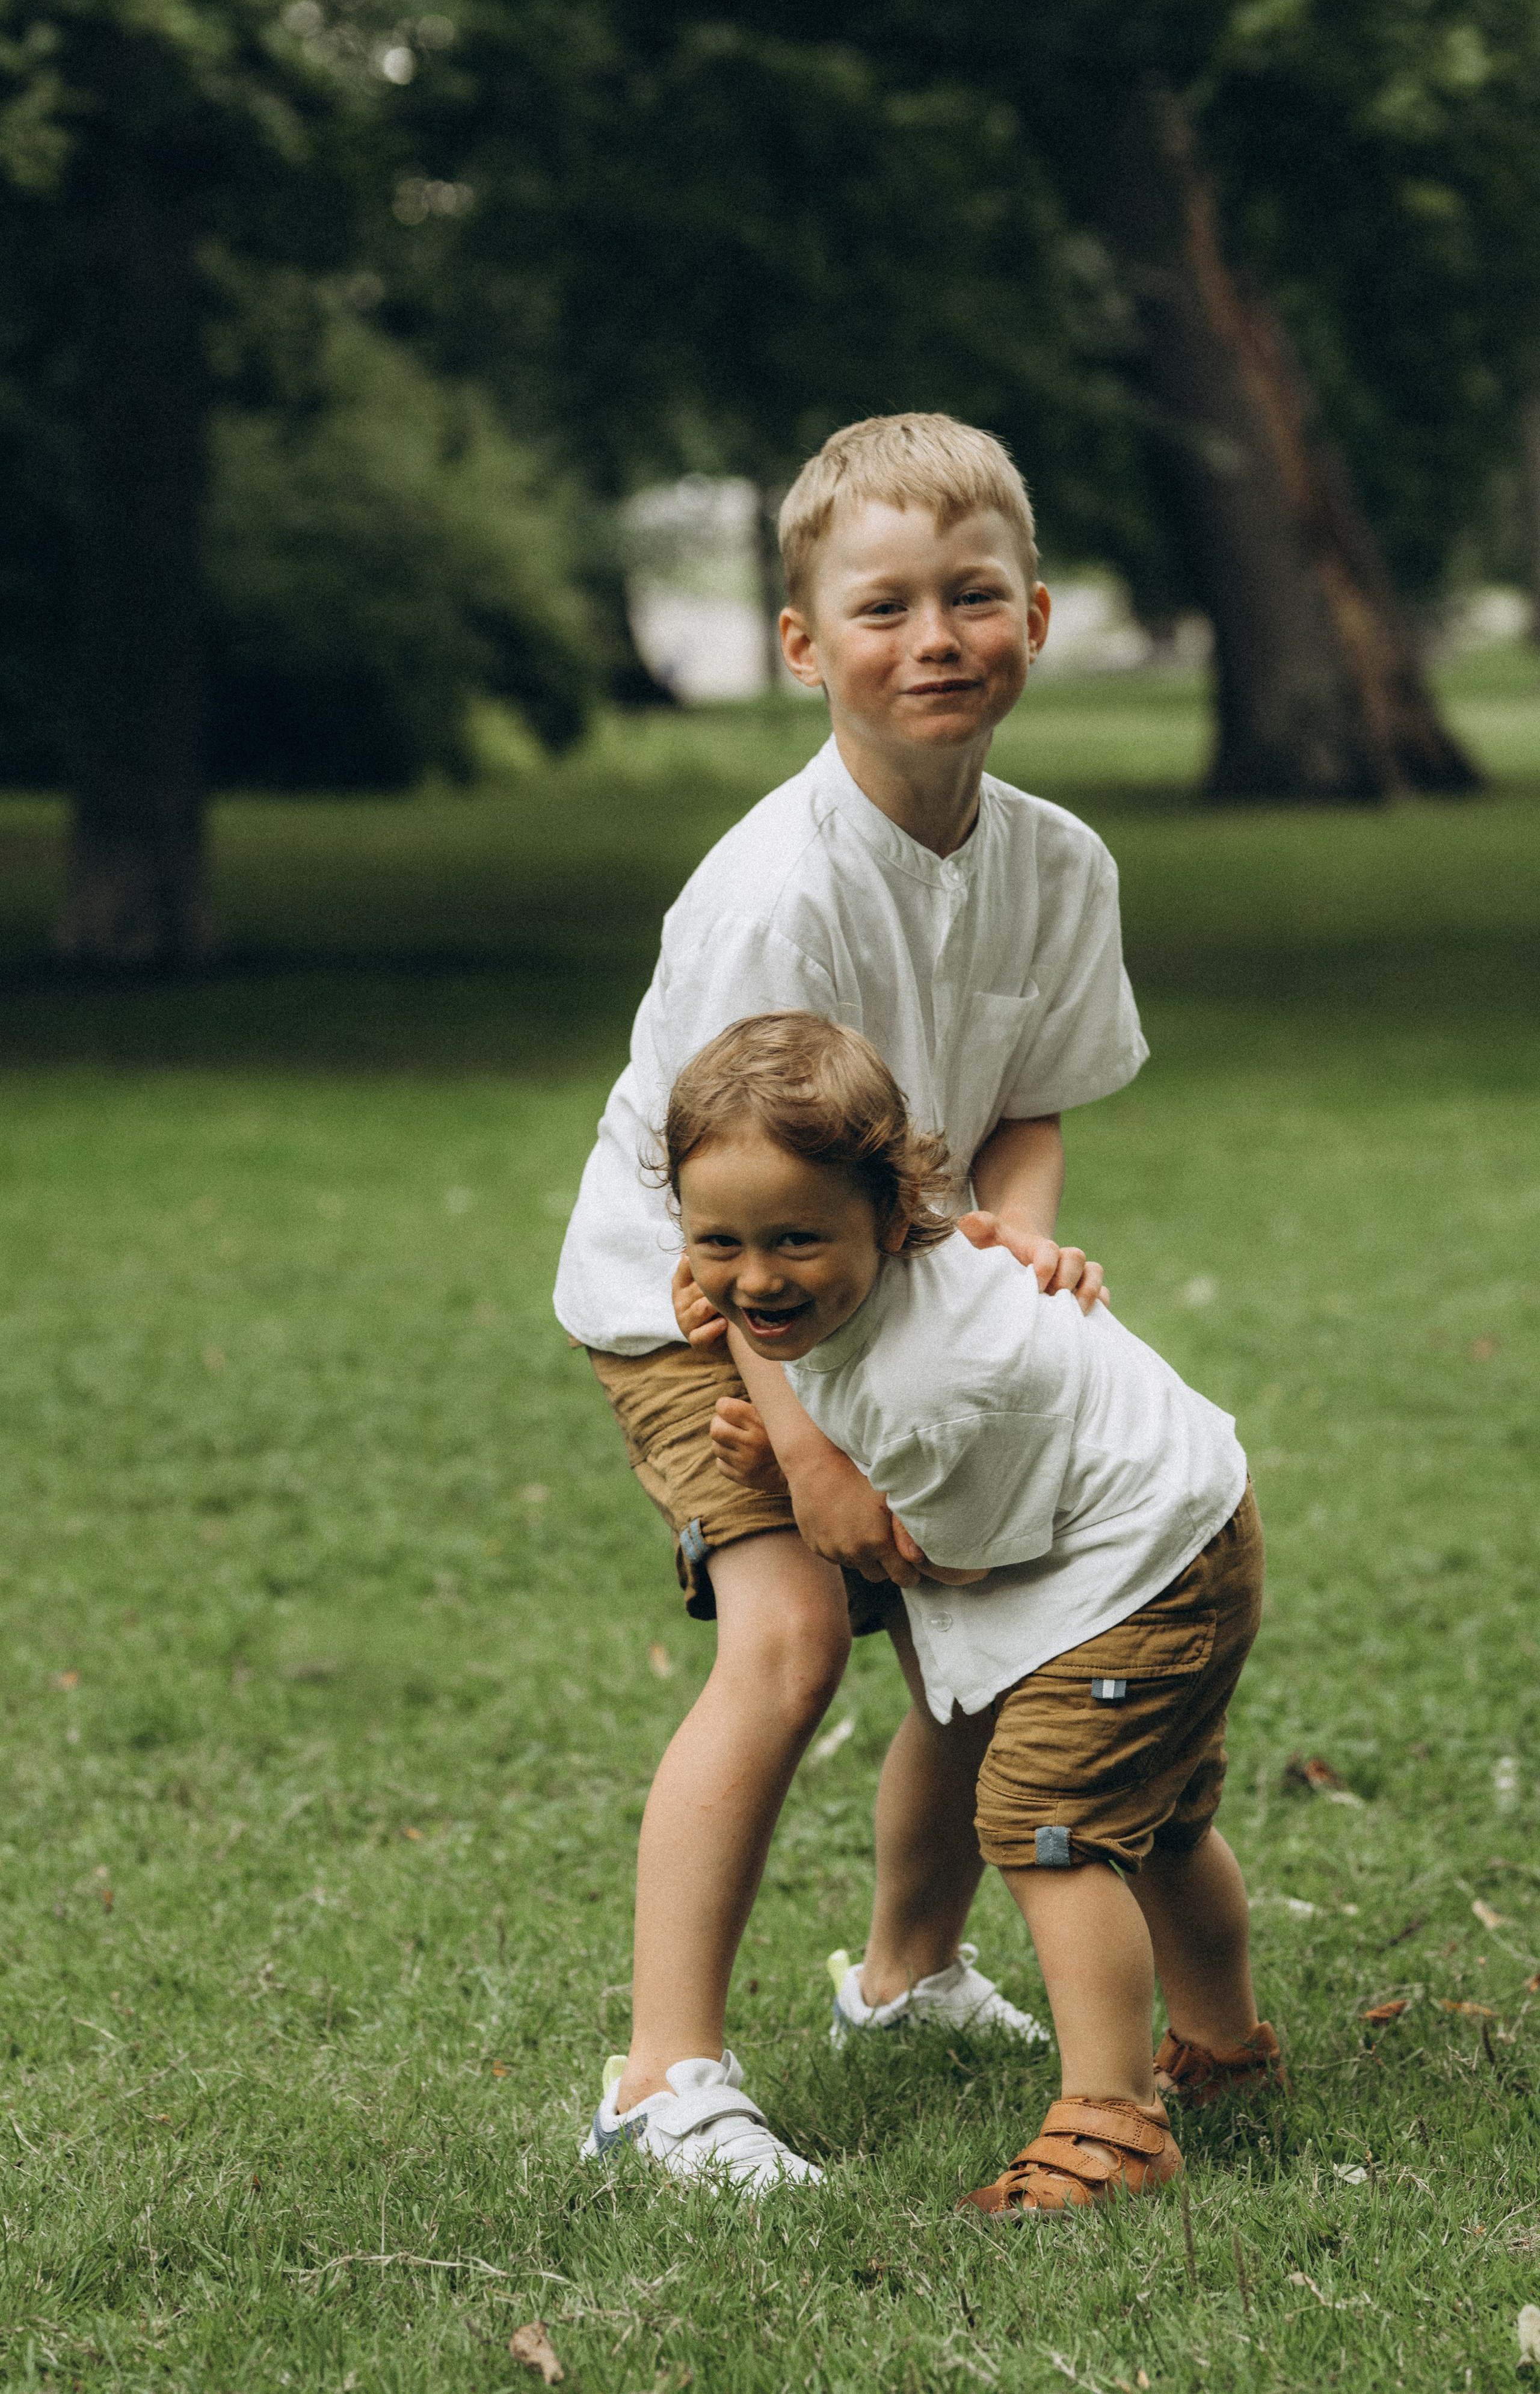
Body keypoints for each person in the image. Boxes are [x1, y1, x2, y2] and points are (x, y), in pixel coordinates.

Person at [558, 412, 1149, 2188]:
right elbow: (727, 1205)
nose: (938, 639)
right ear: (806, 645)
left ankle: (903, 1975)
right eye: (883, 607)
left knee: (988, 1621)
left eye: (975, 596)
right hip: (710, 1289)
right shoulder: (778, 895)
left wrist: (1015, 1263)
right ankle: (661, 2078)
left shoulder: (1058, 863)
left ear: (1037, 617)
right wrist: (815, 1462)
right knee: (799, 1634)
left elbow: (1030, 1098)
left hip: (894, 1277)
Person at [662, 1011, 1284, 2213]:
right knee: (1156, 1818)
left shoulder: (935, 1389)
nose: (750, 1279)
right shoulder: (854, 1286)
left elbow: (940, 1564)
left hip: (1138, 1568)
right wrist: (788, 1431)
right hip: (1175, 1518)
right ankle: (1220, 2053)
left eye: (793, 1239)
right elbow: (755, 1313)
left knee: (1048, 1825)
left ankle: (1114, 2126)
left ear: (893, 1218)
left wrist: (794, 1472)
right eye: (715, 1241)